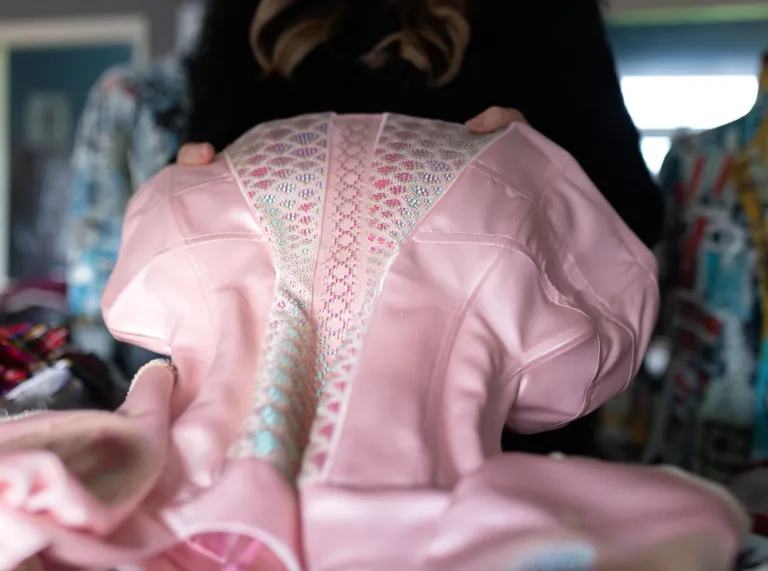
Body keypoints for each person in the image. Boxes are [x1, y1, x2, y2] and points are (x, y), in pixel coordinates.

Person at [175, 0, 663, 458]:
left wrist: (546, 172)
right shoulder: (242, 16)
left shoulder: (543, 12)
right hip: (276, 412)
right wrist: (194, 179)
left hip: (494, 433)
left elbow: (632, 214)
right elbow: (196, 179)